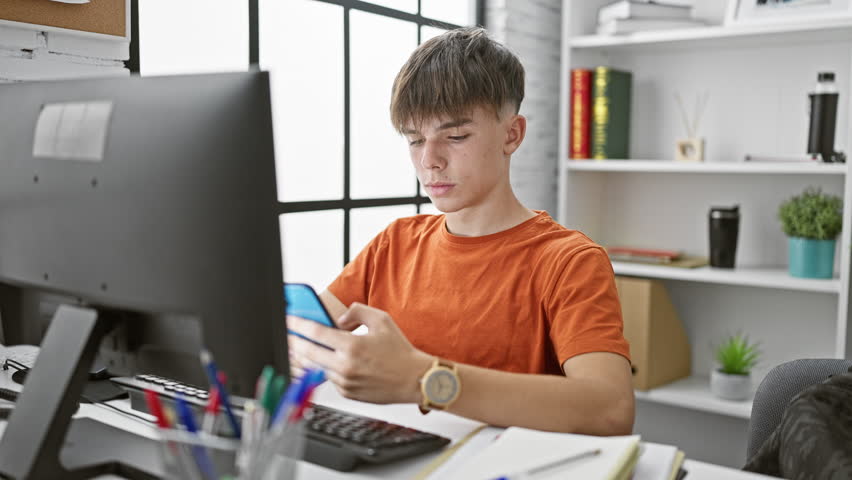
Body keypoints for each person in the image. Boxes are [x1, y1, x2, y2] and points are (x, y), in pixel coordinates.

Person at [287, 26, 634, 435]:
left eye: (455, 136)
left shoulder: (568, 261)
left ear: (512, 134)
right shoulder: (394, 243)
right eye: (415, 140)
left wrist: (425, 380)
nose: (430, 160)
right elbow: (303, 333)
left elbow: (611, 409)